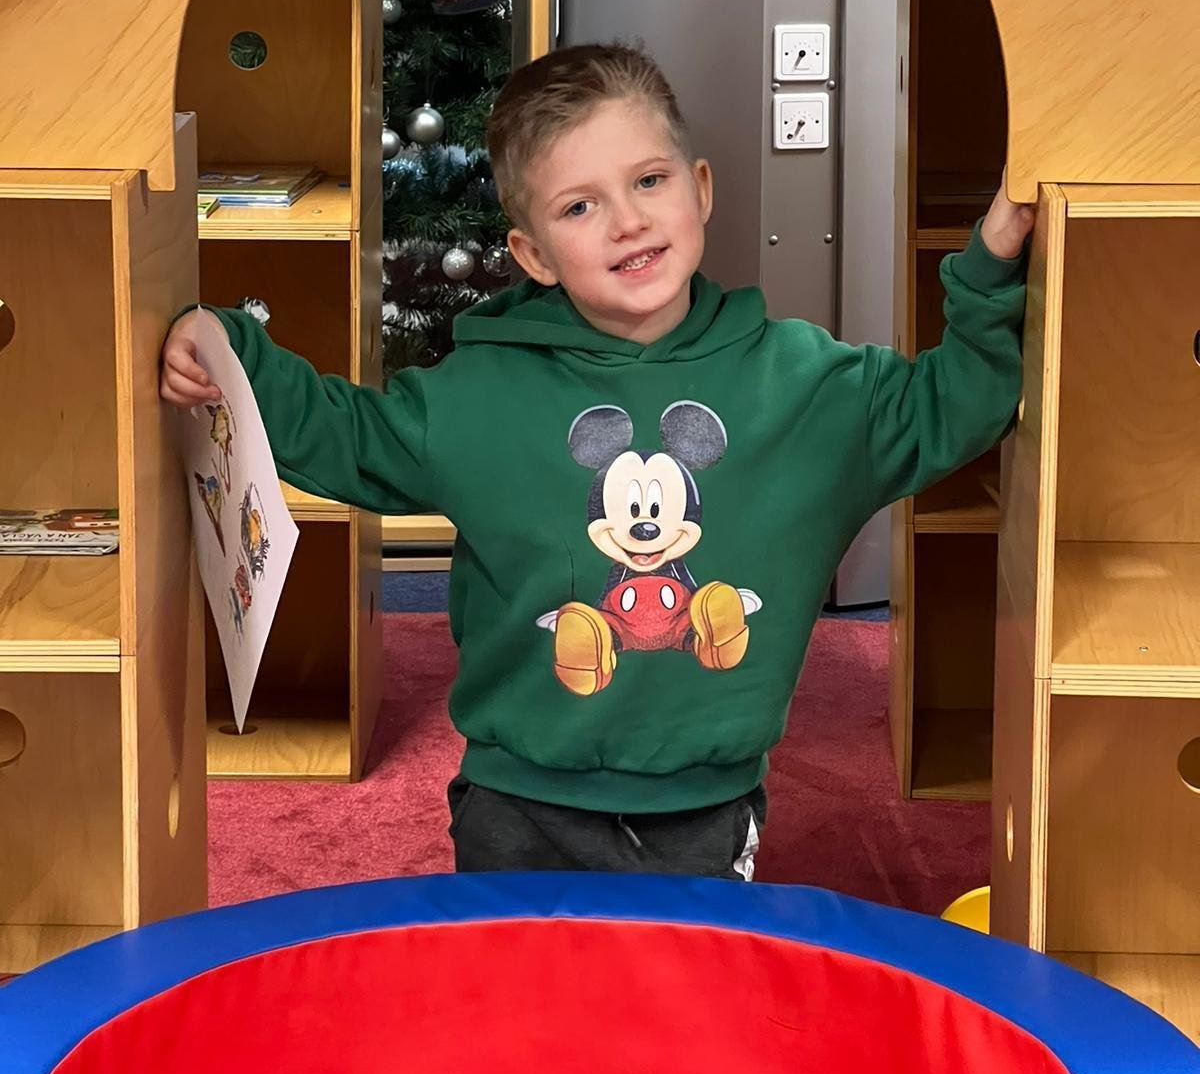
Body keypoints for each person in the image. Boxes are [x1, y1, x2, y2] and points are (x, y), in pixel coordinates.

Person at [162, 43, 1032, 880]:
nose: (628, 221)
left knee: (681, 986)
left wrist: (991, 261)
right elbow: (342, 435)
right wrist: (225, 345)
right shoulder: (479, 396)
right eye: (579, 206)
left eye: (649, 180)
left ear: (699, 188)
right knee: (519, 986)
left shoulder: (809, 386)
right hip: (517, 803)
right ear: (534, 255)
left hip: (707, 804)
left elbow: (955, 404)